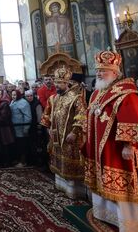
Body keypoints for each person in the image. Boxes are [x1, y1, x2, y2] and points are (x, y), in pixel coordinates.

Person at [83, 50, 138, 231]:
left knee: (126, 186)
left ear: (115, 72)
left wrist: (129, 144)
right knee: (104, 183)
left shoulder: (127, 92)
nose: (99, 73)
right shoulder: (97, 93)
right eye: (98, 70)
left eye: (104, 70)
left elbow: (133, 118)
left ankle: (133, 223)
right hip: (101, 150)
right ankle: (105, 214)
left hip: (119, 149)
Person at [41, 67, 86, 199]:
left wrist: (74, 131)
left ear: (67, 83)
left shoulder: (76, 98)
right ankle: (61, 185)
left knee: (71, 161)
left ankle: (74, 190)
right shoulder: (53, 98)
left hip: (70, 137)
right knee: (58, 161)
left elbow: (82, 116)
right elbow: (46, 115)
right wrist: (47, 128)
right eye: (56, 83)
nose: (57, 86)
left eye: (60, 83)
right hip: (55, 136)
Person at [0, 90, 14, 167]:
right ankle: (1, 161)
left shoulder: (5, 103)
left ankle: (7, 162)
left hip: (4, 127)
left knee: (5, 145)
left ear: (3, 95)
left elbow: (4, 116)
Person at [10, 89, 32, 167]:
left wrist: (26, 128)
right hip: (14, 128)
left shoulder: (24, 102)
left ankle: (23, 162)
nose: (13, 96)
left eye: (15, 95)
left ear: (18, 95)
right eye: (12, 95)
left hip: (21, 128)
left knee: (22, 145)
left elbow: (28, 117)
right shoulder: (12, 101)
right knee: (17, 145)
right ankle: (18, 160)